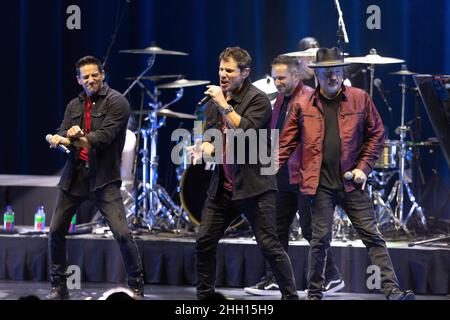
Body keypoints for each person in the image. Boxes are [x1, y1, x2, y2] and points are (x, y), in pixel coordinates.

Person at [278, 47, 415, 300]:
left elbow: (377, 134)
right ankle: (315, 294)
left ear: (342, 73)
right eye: (328, 72)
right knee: (319, 240)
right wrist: (265, 173)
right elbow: (284, 145)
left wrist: (363, 168)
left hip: (352, 183)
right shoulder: (301, 105)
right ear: (317, 74)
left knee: (373, 237)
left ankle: (392, 290)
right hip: (319, 185)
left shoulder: (359, 98)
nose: (333, 77)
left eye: (338, 71)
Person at [189, 47, 298, 300]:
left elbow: (245, 132)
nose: (222, 75)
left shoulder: (257, 99)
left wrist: (223, 103)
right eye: (220, 69)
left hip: (254, 187)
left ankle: (290, 297)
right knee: (204, 241)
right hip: (224, 187)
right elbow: (212, 141)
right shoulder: (217, 103)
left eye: (229, 70)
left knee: (270, 246)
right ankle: (205, 299)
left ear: (245, 72)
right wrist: (202, 149)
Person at [244, 55, 344, 296]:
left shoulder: (309, 97)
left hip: (304, 177)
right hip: (282, 176)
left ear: (296, 76)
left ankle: (331, 277)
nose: (276, 82)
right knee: (275, 230)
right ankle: (273, 280)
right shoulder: (280, 99)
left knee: (311, 231)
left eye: (281, 78)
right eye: (274, 77)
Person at [46, 56, 144, 300]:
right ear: (78, 80)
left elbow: (104, 137)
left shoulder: (117, 102)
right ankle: (59, 287)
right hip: (75, 177)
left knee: (122, 233)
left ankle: (136, 286)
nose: (91, 80)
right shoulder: (74, 105)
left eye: (94, 75)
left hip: (104, 179)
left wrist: (75, 137)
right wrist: (59, 139)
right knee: (55, 230)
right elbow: (62, 131)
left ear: (103, 75)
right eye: (85, 76)